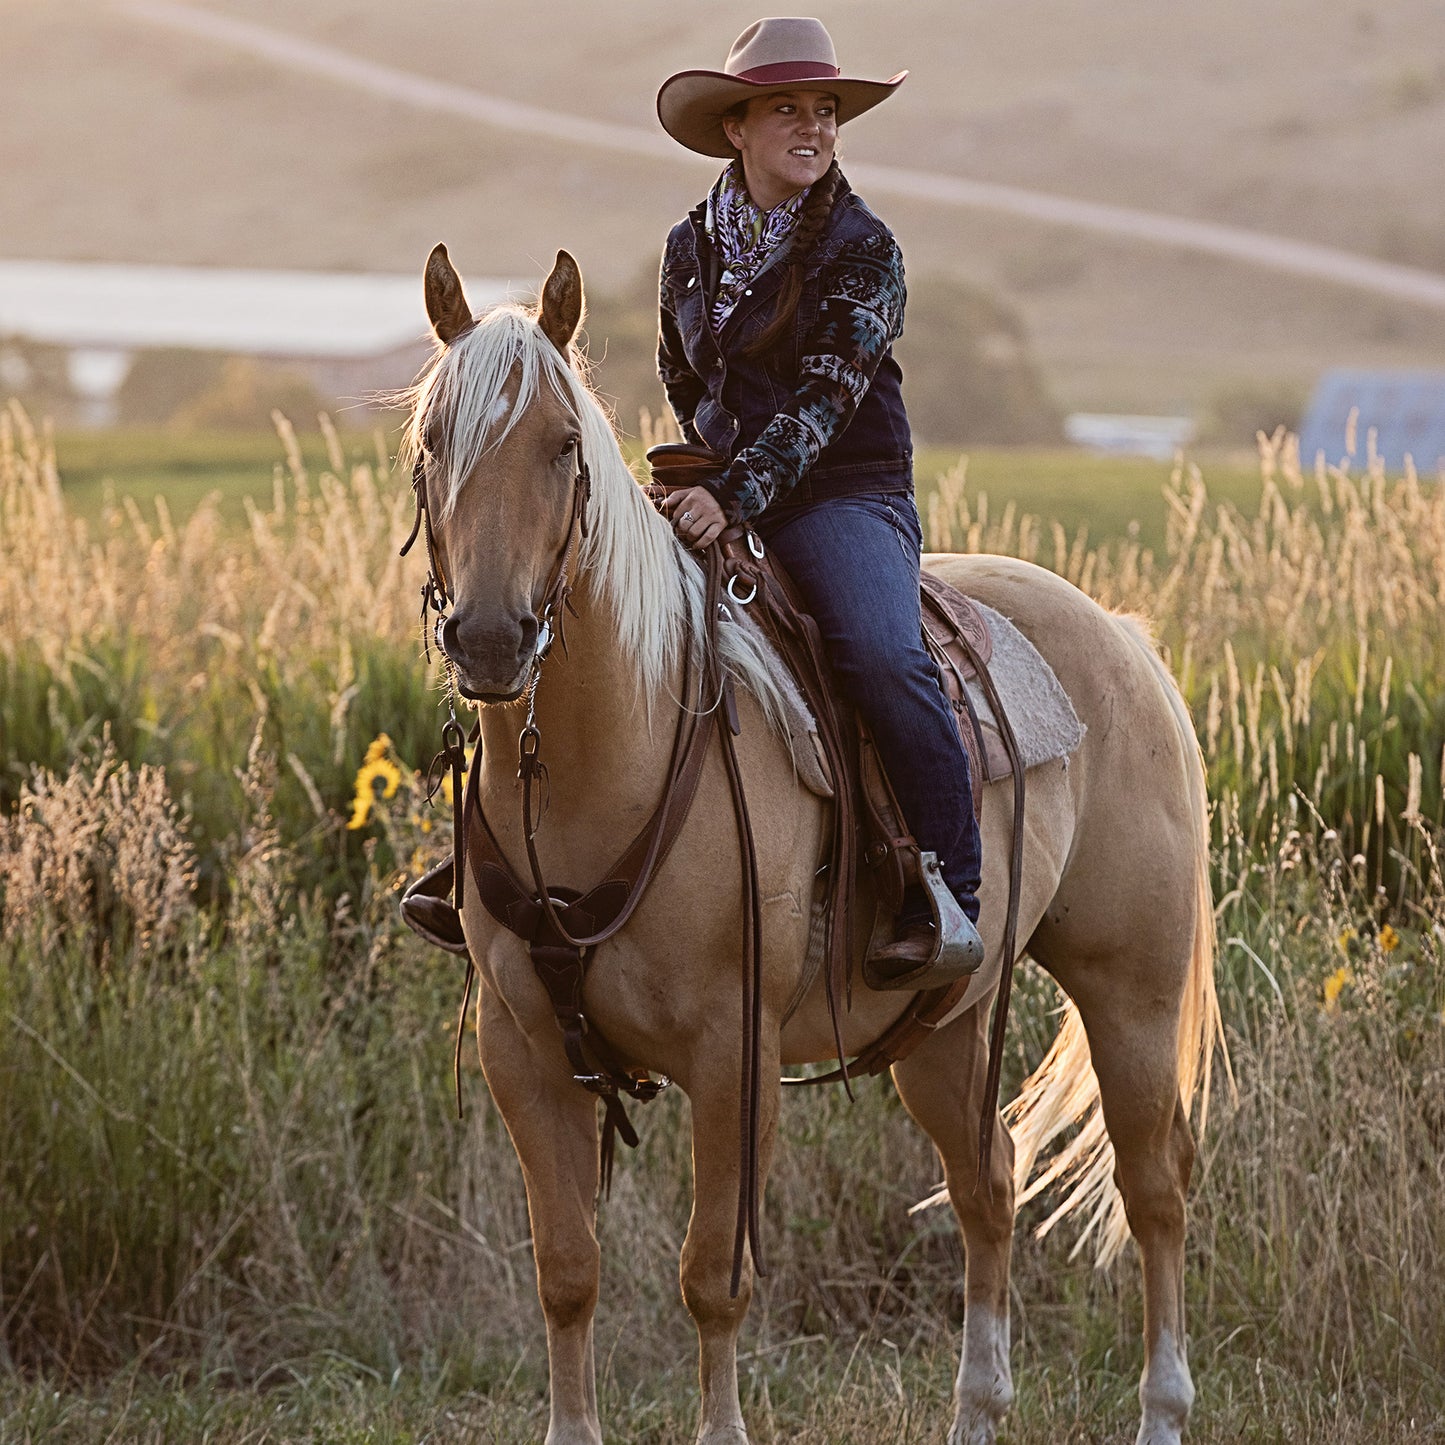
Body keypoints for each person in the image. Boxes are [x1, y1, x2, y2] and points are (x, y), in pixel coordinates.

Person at [654, 17, 984, 987]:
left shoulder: (863, 247)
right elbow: (682, 373)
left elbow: (823, 402)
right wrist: (698, 471)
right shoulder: (686, 248)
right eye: (788, 108)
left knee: (882, 655)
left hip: (842, 493)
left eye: (826, 111)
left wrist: (735, 493)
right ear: (736, 130)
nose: (813, 127)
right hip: (724, 486)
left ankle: (948, 893)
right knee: (580, 590)